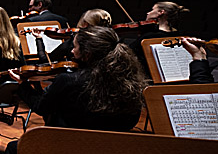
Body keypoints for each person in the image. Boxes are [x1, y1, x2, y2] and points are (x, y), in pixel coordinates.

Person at [12, 26, 147, 135]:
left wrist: (22, 85)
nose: (71, 51)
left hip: (72, 143)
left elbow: (41, 107)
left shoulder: (69, 80)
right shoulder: (129, 77)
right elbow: (131, 121)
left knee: (13, 149)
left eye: (75, 47)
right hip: (113, 146)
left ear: (87, 54)